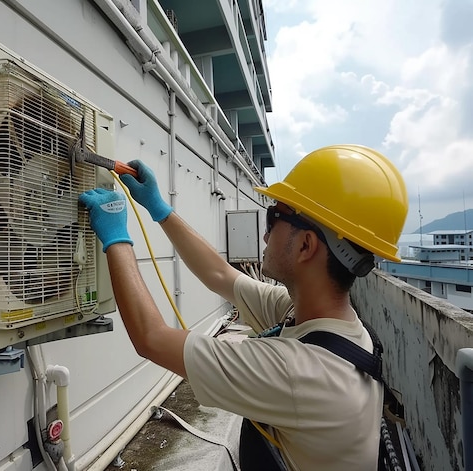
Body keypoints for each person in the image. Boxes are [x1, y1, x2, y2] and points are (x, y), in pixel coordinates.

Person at [78, 144, 408, 470]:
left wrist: (115, 236)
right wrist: (158, 208)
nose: (265, 238)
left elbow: (151, 338)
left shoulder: (300, 373)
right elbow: (219, 275)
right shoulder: (321, 322)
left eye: (273, 218)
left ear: (306, 245)